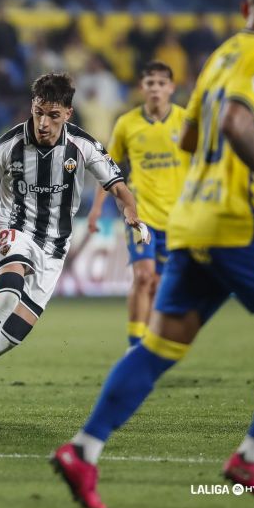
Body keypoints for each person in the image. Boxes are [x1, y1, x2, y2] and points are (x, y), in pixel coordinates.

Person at [51, 0, 254, 508]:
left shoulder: (221, 57)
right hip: (233, 224)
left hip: (187, 222)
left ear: (245, 6)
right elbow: (231, 120)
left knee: (159, 347)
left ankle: (83, 449)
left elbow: (188, 137)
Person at [0, 73, 147, 417]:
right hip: (13, 227)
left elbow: (118, 186)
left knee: (10, 337)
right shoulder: (9, 144)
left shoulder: (83, 146)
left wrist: (132, 212)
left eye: (53, 115)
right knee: (7, 294)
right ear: (31, 108)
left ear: (68, 115)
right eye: (38, 112)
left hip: (54, 246)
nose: (43, 123)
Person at [87, 61, 189, 345]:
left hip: (177, 219)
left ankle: (151, 341)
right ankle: (135, 347)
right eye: (150, 83)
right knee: (143, 277)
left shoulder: (186, 122)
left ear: (171, 87)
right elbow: (108, 169)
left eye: (161, 83)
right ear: (142, 88)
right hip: (140, 215)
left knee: (159, 285)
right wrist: (96, 209)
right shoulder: (127, 124)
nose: (155, 88)